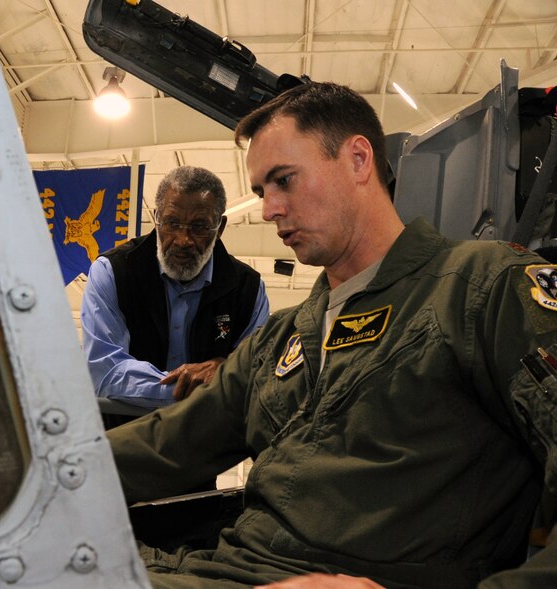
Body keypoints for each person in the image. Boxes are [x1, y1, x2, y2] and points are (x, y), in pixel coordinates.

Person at [107, 82, 557, 588]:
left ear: (359, 159)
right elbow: (169, 442)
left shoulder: (481, 290)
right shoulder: (279, 339)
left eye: (284, 181)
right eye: (261, 192)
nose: (268, 209)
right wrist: (36, 470)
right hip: (217, 568)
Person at [81, 165, 269, 409]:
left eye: (199, 227)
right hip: (123, 434)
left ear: (219, 228)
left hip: (208, 442)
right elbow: (104, 372)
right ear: (157, 218)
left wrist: (230, 374)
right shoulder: (112, 272)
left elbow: (258, 374)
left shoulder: (248, 289)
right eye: (172, 223)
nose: (183, 240)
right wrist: (208, 386)